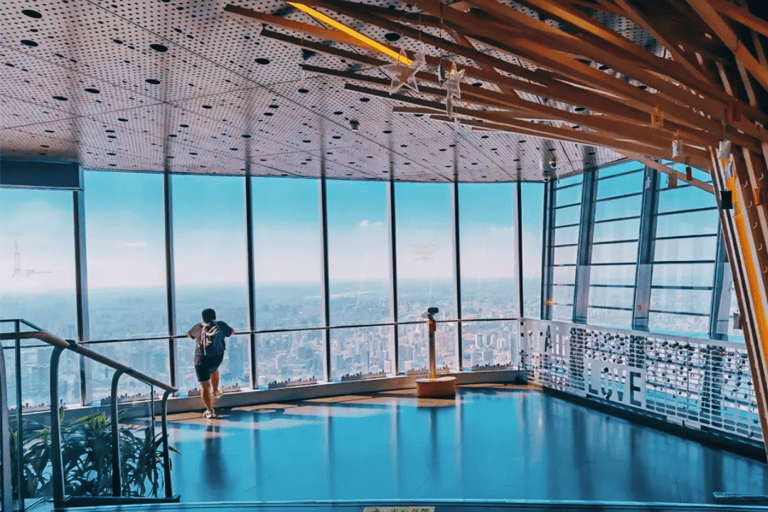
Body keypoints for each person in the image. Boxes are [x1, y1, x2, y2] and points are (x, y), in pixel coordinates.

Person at [186, 308, 234, 419]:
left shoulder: (198, 327)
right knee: (214, 370)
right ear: (215, 316)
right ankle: (216, 391)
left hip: (201, 359)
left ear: (203, 318)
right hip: (217, 357)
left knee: (205, 386)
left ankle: (210, 410)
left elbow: (189, 334)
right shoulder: (220, 324)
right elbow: (232, 332)